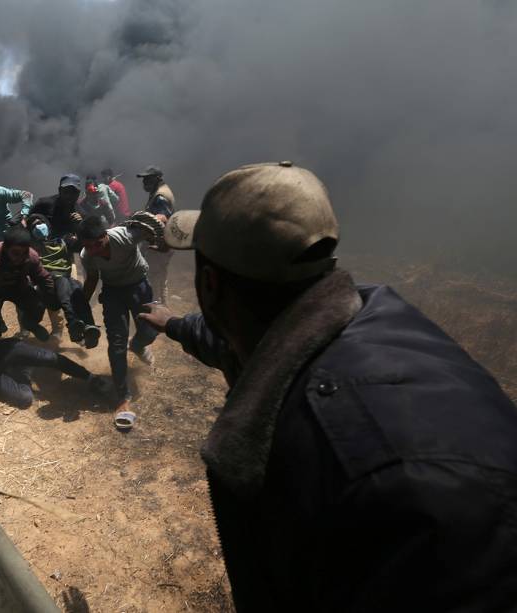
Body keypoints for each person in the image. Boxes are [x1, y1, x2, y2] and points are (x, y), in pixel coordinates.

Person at [145, 161, 517, 611]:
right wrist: (175, 325)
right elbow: (239, 342)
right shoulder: (354, 313)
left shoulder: (374, 474)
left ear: (209, 284)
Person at [78, 215, 160, 430]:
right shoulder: (87, 254)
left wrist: (159, 225)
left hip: (138, 285)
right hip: (113, 292)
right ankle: (122, 396)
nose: (94, 250)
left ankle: (138, 344)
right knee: (116, 343)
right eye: (88, 246)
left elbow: (157, 221)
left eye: (97, 244)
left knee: (150, 331)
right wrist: (81, 306)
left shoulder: (124, 236)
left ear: (105, 235)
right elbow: (93, 279)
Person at [26, 214, 100, 347]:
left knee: (77, 289)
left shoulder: (63, 240)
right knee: (64, 283)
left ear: (47, 224)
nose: (38, 227)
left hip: (66, 278)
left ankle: (89, 327)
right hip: (47, 281)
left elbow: (79, 245)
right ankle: (73, 323)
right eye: (34, 226)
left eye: (40, 223)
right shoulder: (31, 248)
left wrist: (79, 226)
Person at [136, 166, 176, 304]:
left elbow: (162, 218)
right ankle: (163, 308)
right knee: (161, 278)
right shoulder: (159, 191)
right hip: (165, 242)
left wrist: (141, 223)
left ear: (158, 179)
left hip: (159, 244)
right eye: (144, 179)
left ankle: (156, 309)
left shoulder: (160, 196)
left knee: (152, 279)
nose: (144, 182)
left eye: (148, 179)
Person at [28, 174, 84, 239]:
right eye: (66, 191)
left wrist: (80, 225)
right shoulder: (43, 204)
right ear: (60, 190)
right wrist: (33, 222)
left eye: (73, 192)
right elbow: (25, 221)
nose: (69, 195)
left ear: (78, 193)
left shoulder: (81, 214)